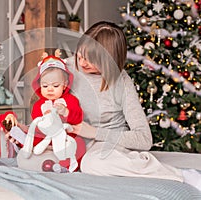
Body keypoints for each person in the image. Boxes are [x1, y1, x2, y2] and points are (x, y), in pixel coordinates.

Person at [68, 21, 201, 190]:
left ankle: (182, 175)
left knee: (93, 163)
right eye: (80, 55)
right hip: (70, 142)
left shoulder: (121, 82)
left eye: (91, 60)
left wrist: (94, 133)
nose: (82, 62)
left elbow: (144, 139)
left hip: (105, 144)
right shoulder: (65, 68)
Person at [17, 53, 86, 172]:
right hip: (45, 137)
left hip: (64, 137)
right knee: (31, 136)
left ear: (64, 85)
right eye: (45, 86)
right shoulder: (39, 104)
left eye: (55, 85)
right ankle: (25, 147)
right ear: (39, 85)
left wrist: (66, 112)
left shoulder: (70, 100)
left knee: (78, 143)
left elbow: (78, 118)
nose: (50, 89)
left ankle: (67, 165)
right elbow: (36, 121)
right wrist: (45, 117)